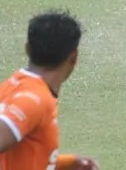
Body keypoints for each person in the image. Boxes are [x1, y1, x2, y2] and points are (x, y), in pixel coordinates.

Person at [0, 11, 99, 170]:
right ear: (74, 57)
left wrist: (67, 163)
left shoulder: (11, 86)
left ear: (27, 49)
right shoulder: (35, 99)